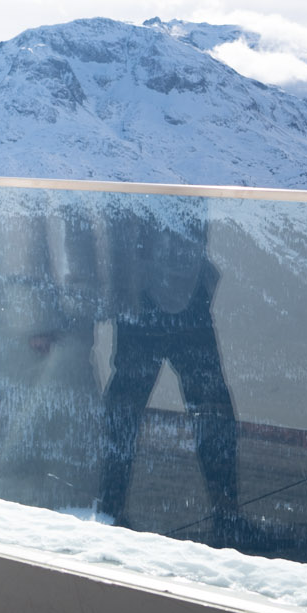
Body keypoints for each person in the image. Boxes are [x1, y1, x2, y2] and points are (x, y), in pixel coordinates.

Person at [98, 203, 241, 544]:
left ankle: (109, 512)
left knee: (209, 410)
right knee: (128, 411)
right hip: (147, 295)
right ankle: (109, 512)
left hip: (172, 294)